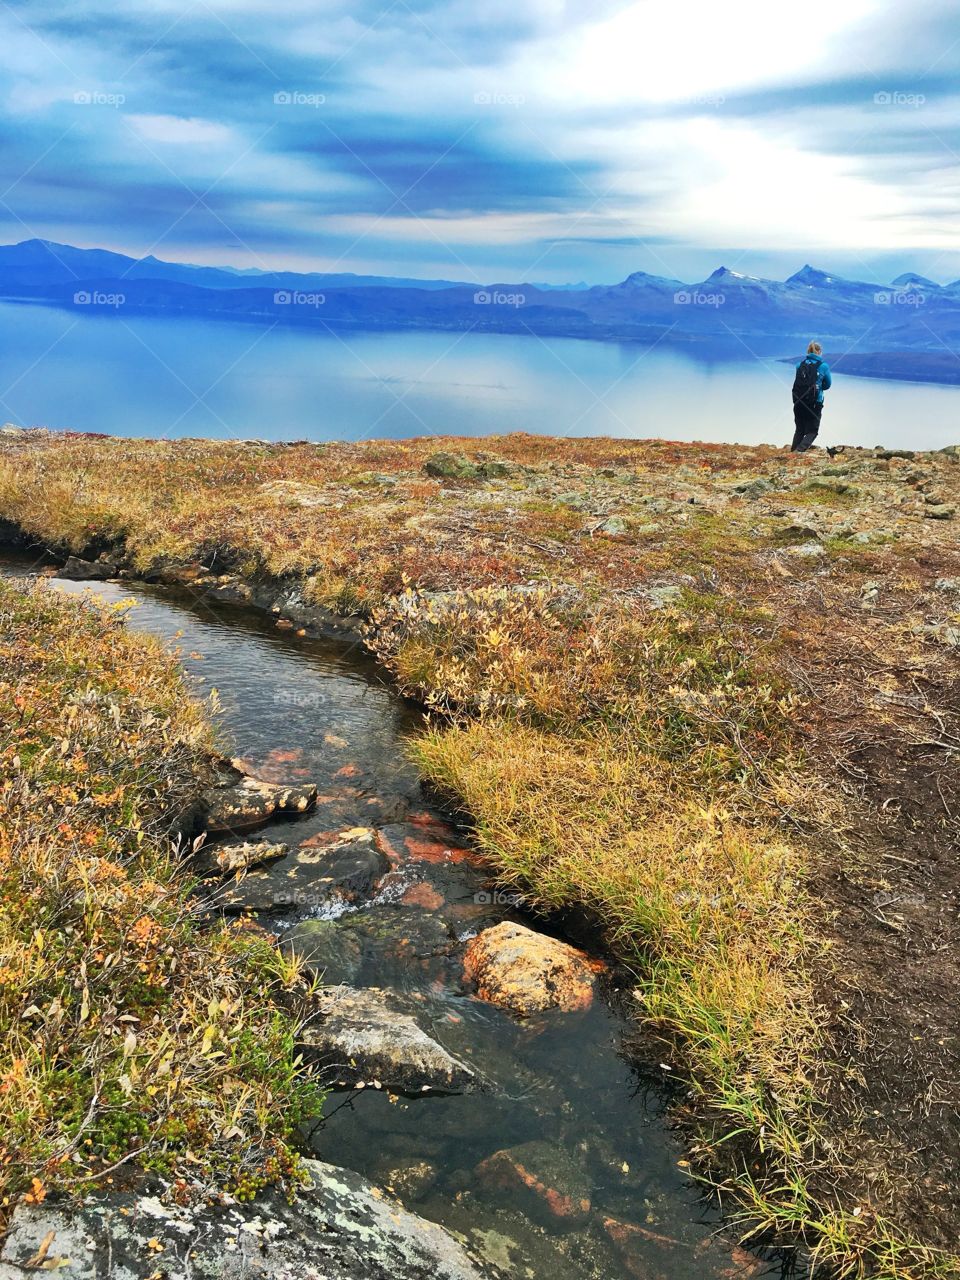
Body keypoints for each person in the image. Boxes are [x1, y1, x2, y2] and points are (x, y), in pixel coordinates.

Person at [790, 341, 832, 452]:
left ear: (808, 352)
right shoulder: (823, 366)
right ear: (819, 352)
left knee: (799, 430)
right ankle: (799, 451)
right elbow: (827, 385)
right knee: (812, 431)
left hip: (798, 401)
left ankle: (792, 453)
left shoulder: (799, 365)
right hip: (814, 403)